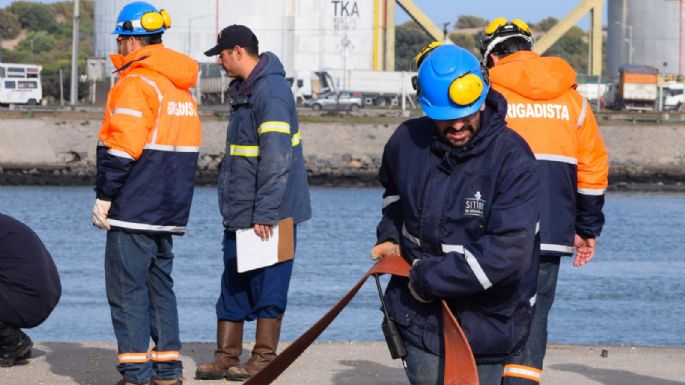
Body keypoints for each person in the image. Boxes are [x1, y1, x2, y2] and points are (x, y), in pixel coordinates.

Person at [371, 43, 540, 385]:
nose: (459, 126)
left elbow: (507, 252)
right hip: (416, 317)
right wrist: (390, 237)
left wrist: (426, 279)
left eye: (468, 114)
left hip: (487, 323)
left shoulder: (513, 158)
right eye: (447, 119)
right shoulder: (406, 142)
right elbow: (393, 197)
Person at [480, 18, 609, 384]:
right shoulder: (574, 102)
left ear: (491, 57)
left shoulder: (488, 95)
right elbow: (593, 171)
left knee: (485, 307)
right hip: (552, 230)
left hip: (493, 228)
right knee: (534, 313)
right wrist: (586, 228)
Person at [91, 2, 202, 384]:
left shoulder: (137, 83)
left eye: (120, 39)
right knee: (160, 288)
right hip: (169, 209)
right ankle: (168, 371)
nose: (119, 47)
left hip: (134, 205)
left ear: (131, 41)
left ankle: (135, 372)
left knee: (126, 291)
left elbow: (122, 147)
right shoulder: (181, 90)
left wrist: (105, 195)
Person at [195, 25, 311, 381]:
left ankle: (263, 358)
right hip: (242, 211)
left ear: (237, 52)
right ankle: (227, 356)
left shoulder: (271, 92)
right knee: (234, 281)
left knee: (268, 285)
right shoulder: (246, 91)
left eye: (221, 55)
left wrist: (266, 213)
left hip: (269, 213)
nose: (219, 62)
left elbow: (277, 159)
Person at [0, 213, 61, 368]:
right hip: (39, 296)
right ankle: (12, 342)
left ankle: (13, 342)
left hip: (27, 300)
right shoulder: (5, 224)